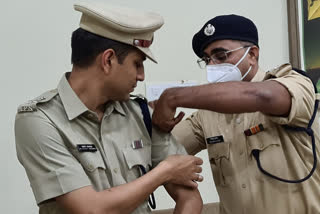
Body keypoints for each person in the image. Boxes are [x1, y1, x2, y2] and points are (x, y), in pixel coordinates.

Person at [14, 2, 204, 214]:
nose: (141, 76)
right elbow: (91, 209)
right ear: (108, 60)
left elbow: (189, 196)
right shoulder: (40, 120)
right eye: (137, 64)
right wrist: (164, 172)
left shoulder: (141, 114)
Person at [151, 14, 320, 214]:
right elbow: (161, 150)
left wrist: (172, 97)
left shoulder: (294, 83)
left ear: (252, 54)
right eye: (207, 59)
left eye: (221, 56)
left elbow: (263, 97)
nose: (212, 65)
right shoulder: (207, 115)